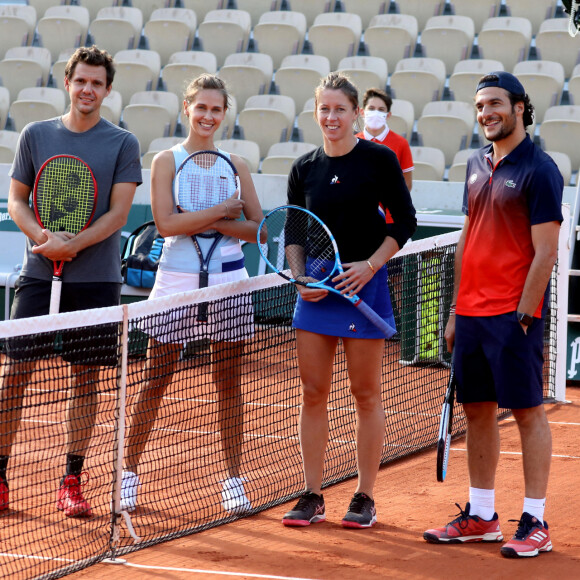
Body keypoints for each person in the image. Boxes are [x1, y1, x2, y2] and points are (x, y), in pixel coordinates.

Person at [423, 71, 563, 558]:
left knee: (526, 412)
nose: (486, 113)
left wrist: (524, 317)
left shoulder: (540, 170)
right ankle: (482, 515)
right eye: (480, 105)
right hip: (473, 313)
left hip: (513, 315)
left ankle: (536, 520)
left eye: (496, 104)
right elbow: (468, 236)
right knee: (476, 410)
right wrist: (456, 310)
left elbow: (546, 252)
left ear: (520, 107)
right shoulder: (475, 164)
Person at [0, 45, 142, 517]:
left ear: (106, 89)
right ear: (68, 83)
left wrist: (74, 244)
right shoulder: (35, 135)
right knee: (14, 374)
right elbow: (17, 200)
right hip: (39, 272)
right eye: (81, 80)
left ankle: (72, 480)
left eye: (97, 83)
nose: (88, 89)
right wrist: (45, 239)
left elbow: (119, 214)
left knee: (85, 378)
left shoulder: (123, 143)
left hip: (96, 279)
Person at [120, 74, 265, 515]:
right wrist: (223, 212)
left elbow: (257, 229)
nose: (207, 116)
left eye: (216, 109)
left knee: (229, 384)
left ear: (224, 114)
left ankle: (233, 480)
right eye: (200, 107)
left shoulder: (237, 164)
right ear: (187, 109)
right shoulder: (166, 160)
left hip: (228, 280)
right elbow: (166, 225)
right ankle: (127, 474)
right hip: (175, 282)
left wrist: (204, 220)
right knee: (154, 379)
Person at [281, 72, 416, 529]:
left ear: (356, 113)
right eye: (325, 109)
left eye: (341, 109)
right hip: (317, 289)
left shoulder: (378, 159)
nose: (332, 117)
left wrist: (371, 266)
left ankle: (364, 496)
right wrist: (300, 278)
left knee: (365, 393)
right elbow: (295, 232)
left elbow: (405, 222)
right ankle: (313, 494)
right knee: (313, 392)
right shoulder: (303, 168)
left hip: (365, 282)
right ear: (315, 112)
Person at [355, 87, 414, 198]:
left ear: (388, 115)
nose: (376, 113)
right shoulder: (352, 142)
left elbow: (407, 184)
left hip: (389, 214)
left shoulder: (401, 143)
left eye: (381, 109)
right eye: (371, 108)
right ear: (362, 112)